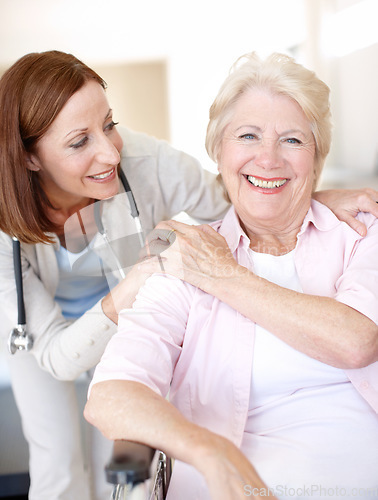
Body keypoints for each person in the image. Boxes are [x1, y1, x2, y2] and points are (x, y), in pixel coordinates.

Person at [0, 51, 376, 500]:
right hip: (47, 337)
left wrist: (314, 196)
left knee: (111, 461)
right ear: (29, 158)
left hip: (123, 311)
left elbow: (243, 187)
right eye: (79, 141)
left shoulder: (147, 162)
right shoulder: (174, 270)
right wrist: (144, 278)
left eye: (109, 124)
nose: (109, 151)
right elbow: (67, 363)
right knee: (55, 462)